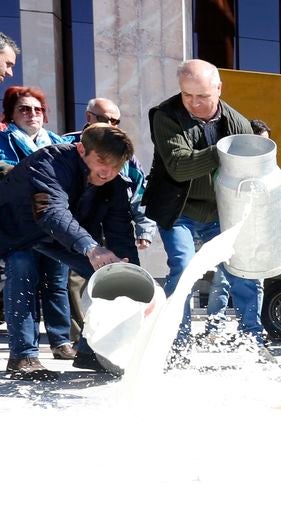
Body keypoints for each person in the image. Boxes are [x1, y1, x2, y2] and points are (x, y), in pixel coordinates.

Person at [141, 59, 266, 352]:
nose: (194, 103)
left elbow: (254, 170)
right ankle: (177, 344)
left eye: (203, 96)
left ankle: (254, 340)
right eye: (187, 95)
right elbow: (179, 167)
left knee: (243, 269)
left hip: (220, 211)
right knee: (183, 269)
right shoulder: (165, 115)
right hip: (178, 209)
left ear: (219, 90)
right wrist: (228, 150)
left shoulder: (237, 123)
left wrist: (256, 147)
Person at [1, 124, 138, 379]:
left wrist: (130, 275)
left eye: (116, 165)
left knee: (113, 276)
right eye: (101, 162)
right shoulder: (49, 162)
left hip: (60, 237)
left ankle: (92, 352)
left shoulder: (115, 183)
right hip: (17, 230)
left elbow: (120, 232)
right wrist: (90, 247)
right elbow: (51, 211)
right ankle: (23, 357)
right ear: (81, 149)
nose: (108, 172)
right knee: (22, 267)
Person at [62, 97, 157, 344]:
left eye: (116, 120)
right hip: (78, 226)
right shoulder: (68, 144)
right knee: (77, 282)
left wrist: (144, 229)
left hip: (116, 224)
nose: (112, 124)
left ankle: (121, 337)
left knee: (125, 275)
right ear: (89, 118)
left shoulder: (126, 154)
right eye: (105, 119)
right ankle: (83, 341)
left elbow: (139, 193)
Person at [0, 86, 74, 364]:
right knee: (22, 280)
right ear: (11, 114)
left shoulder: (57, 141)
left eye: (38, 109)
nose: (33, 114)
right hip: (17, 229)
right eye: (24, 109)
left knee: (56, 284)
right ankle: (23, 354)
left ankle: (61, 341)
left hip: (53, 227)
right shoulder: (2, 140)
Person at [205, 119, 271, 325]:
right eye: (261, 143)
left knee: (254, 282)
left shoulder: (268, 170)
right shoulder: (230, 167)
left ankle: (251, 330)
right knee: (223, 280)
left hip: (254, 234)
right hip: (227, 228)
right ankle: (215, 328)